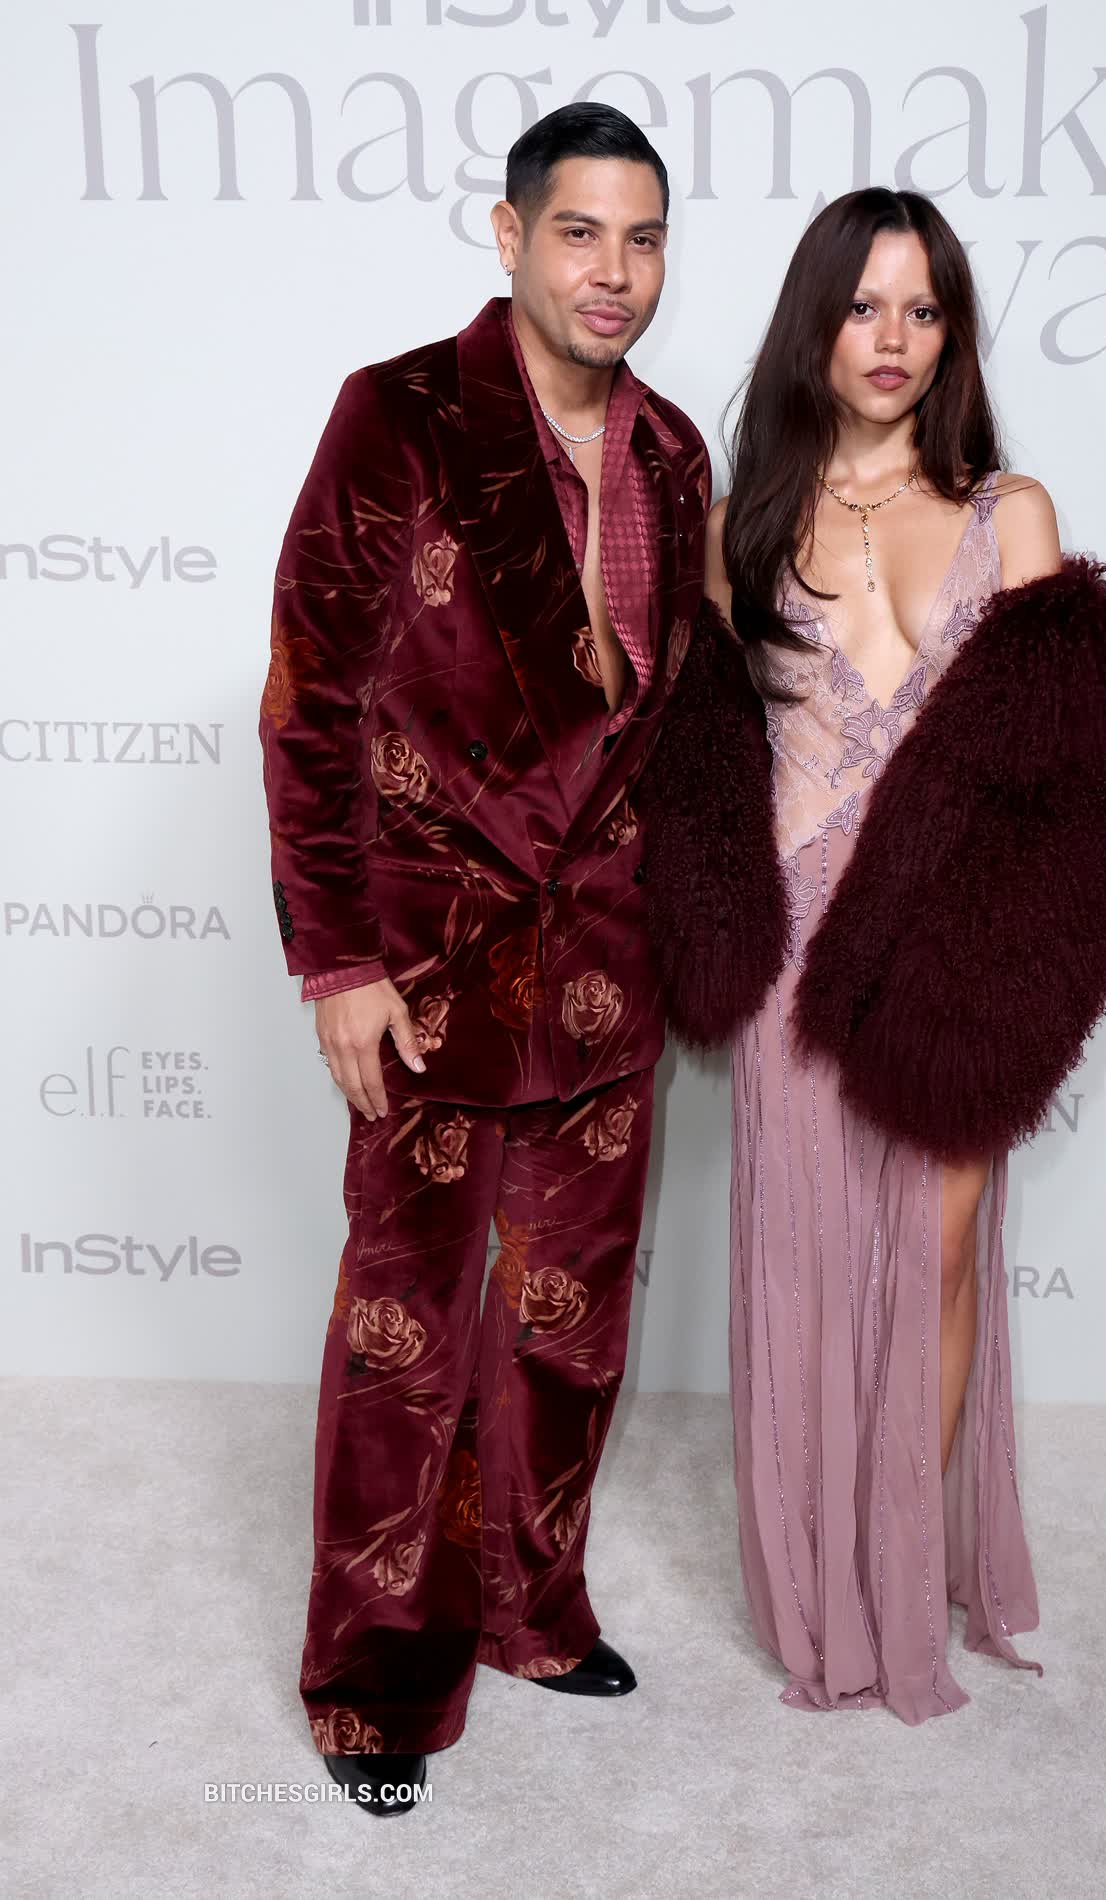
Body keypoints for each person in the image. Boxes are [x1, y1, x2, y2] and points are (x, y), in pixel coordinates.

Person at [637, 187, 1106, 1723]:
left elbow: (1064, 776)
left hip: (951, 946)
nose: (892, 338)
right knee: (804, 1261)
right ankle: (820, 1582)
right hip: (793, 945)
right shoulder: (741, 526)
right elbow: (702, 756)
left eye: (923, 309)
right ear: (815, 321)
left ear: (952, 334)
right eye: (865, 305)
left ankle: (898, 1558)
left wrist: (1020, 967)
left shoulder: (1012, 514)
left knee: (936, 1252)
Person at [257, 102, 710, 1813]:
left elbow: (672, 724)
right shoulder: (398, 414)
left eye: (644, 238)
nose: (614, 271)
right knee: (410, 1333)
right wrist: (335, 962)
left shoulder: (671, 453)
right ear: (510, 235)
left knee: (569, 1329)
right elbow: (309, 701)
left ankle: (529, 1607)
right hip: (429, 959)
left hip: (609, 963)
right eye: (581, 231)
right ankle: (374, 1682)